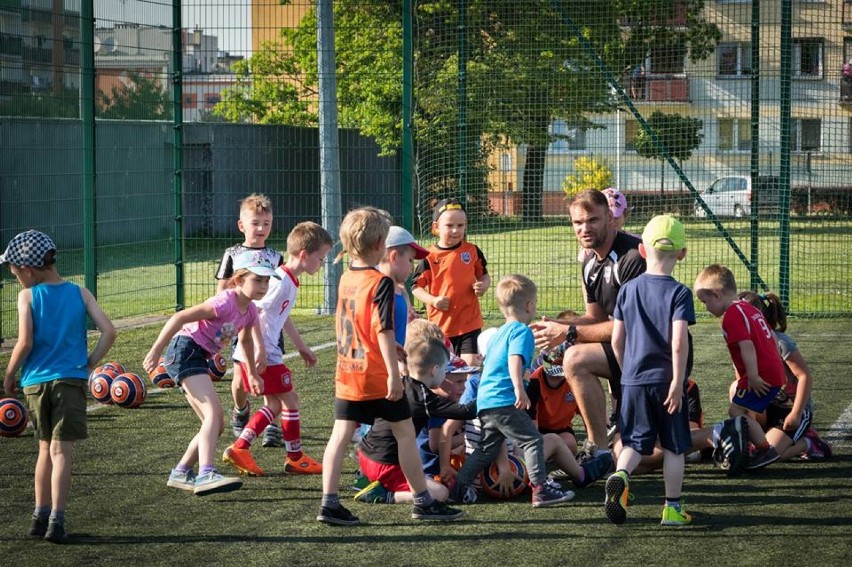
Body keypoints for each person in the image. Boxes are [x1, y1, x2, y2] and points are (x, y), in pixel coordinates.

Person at [317, 206, 463, 526]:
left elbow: (360, 327)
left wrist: (393, 349)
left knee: (340, 436)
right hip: (375, 376)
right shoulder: (380, 282)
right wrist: (395, 375)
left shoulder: (345, 278)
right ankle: (423, 501)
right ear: (380, 244)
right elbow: (382, 330)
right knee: (405, 432)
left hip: (347, 371)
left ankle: (329, 503)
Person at [2, 230, 116, 544]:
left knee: (43, 449)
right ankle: (57, 521)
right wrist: (90, 362)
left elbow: (24, 342)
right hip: (71, 380)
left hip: (35, 384)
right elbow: (109, 331)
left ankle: (39, 516)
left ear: (27, 269)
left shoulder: (27, 296)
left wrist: (9, 375)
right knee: (62, 452)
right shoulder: (80, 293)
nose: (16, 280)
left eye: (14, 273)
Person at [143, 250, 274, 497]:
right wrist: (155, 351)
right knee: (214, 413)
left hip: (196, 356)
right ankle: (206, 474)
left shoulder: (251, 311)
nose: (263, 286)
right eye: (257, 280)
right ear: (238, 280)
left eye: (267, 280)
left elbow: (245, 342)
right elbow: (180, 316)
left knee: (215, 424)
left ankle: (181, 472)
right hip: (185, 350)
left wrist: (253, 374)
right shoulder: (224, 302)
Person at [531, 189, 646, 453]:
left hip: (652, 355)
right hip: (624, 351)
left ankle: (598, 448)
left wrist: (569, 332)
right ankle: (603, 448)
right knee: (628, 454)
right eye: (577, 222)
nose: (584, 228)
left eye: (592, 220)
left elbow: (626, 328)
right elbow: (595, 318)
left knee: (576, 357)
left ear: (610, 217)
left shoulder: (633, 257)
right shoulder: (590, 263)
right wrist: (553, 329)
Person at [448, 274, 575, 508]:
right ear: (529, 305)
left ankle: (458, 487)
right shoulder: (521, 332)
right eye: (534, 303)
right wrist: (519, 388)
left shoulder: (497, 334)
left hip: (486, 402)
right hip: (504, 399)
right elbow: (515, 359)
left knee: (487, 449)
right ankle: (541, 489)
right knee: (533, 440)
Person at [222, 222, 333, 477]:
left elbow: (283, 317)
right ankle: (294, 457)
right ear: (304, 255)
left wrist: (302, 346)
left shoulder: (288, 280)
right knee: (290, 401)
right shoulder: (280, 280)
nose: (322, 263)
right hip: (265, 353)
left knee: (274, 404)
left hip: (264, 350)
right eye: (321, 257)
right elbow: (255, 313)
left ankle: (241, 447)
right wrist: (260, 350)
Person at [605, 214, 694, 526]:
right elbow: (679, 341)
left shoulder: (627, 290)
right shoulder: (680, 293)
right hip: (667, 381)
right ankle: (672, 508)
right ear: (682, 253)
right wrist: (678, 381)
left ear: (642, 250)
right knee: (674, 447)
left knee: (633, 443)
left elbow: (617, 338)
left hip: (633, 380)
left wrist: (626, 369)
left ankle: (620, 474)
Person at [354, 322, 479, 505]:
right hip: (385, 465)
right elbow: (467, 411)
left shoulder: (403, 383)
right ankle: (383, 494)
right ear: (435, 370)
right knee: (441, 493)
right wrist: (490, 392)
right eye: (445, 370)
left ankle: (373, 479)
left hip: (366, 454)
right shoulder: (424, 398)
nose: (446, 375)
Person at [694, 264, 786, 470]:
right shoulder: (748, 307)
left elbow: (747, 346)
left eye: (705, 301)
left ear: (717, 295)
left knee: (736, 411)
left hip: (761, 374)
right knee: (741, 408)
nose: (706, 307)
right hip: (771, 370)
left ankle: (764, 449)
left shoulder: (732, 315)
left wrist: (753, 376)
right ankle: (752, 446)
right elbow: (770, 336)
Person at [216, 193, 285, 447]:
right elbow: (222, 290)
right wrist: (222, 327)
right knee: (241, 379)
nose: (261, 229)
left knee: (272, 375)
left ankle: (271, 426)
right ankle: (241, 408)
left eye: (266, 223)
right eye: (255, 223)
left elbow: (279, 292)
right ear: (241, 225)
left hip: (269, 328)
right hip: (241, 326)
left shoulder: (276, 257)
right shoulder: (232, 254)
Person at [737, 291, 832, 461]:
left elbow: (805, 376)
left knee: (765, 457)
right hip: (765, 408)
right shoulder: (740, 345)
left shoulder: (781, 343)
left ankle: (808, 443)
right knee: (747, 455)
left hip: (790, 410)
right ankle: (764, 437)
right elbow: (741, 383)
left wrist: (796, 413)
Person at [412, 198, 490, 366]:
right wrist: (433, 300)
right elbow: (416, 287)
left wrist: (483, 285)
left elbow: (484, 275)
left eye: (461, 225)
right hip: (441, 326)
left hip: (470, 322)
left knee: (470, 365)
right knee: (445, 368)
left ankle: (470, 393)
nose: (456, 230)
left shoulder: (472, 251)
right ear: (436, 227)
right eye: (449, 226)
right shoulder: (428, 256)